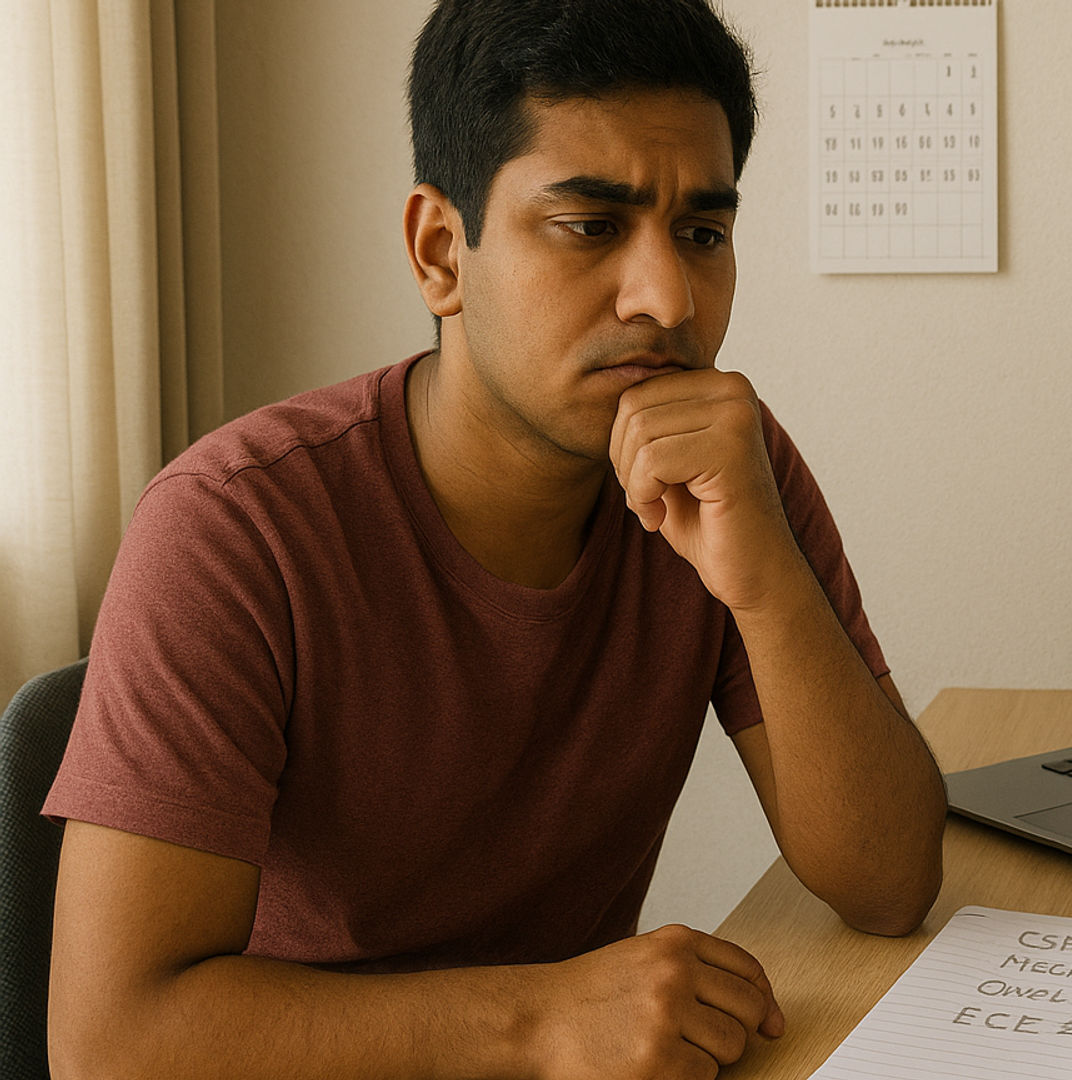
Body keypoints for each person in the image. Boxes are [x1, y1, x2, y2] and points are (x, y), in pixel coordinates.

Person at [41, 1, 947, 1076]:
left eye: (702, 233)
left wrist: (768, 588)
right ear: (439, 252)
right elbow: (109, 1042)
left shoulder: (723, 467)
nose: (667, 299)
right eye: (589, 226)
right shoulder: (235, 529)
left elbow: (890, 885)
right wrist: (543, 1020)